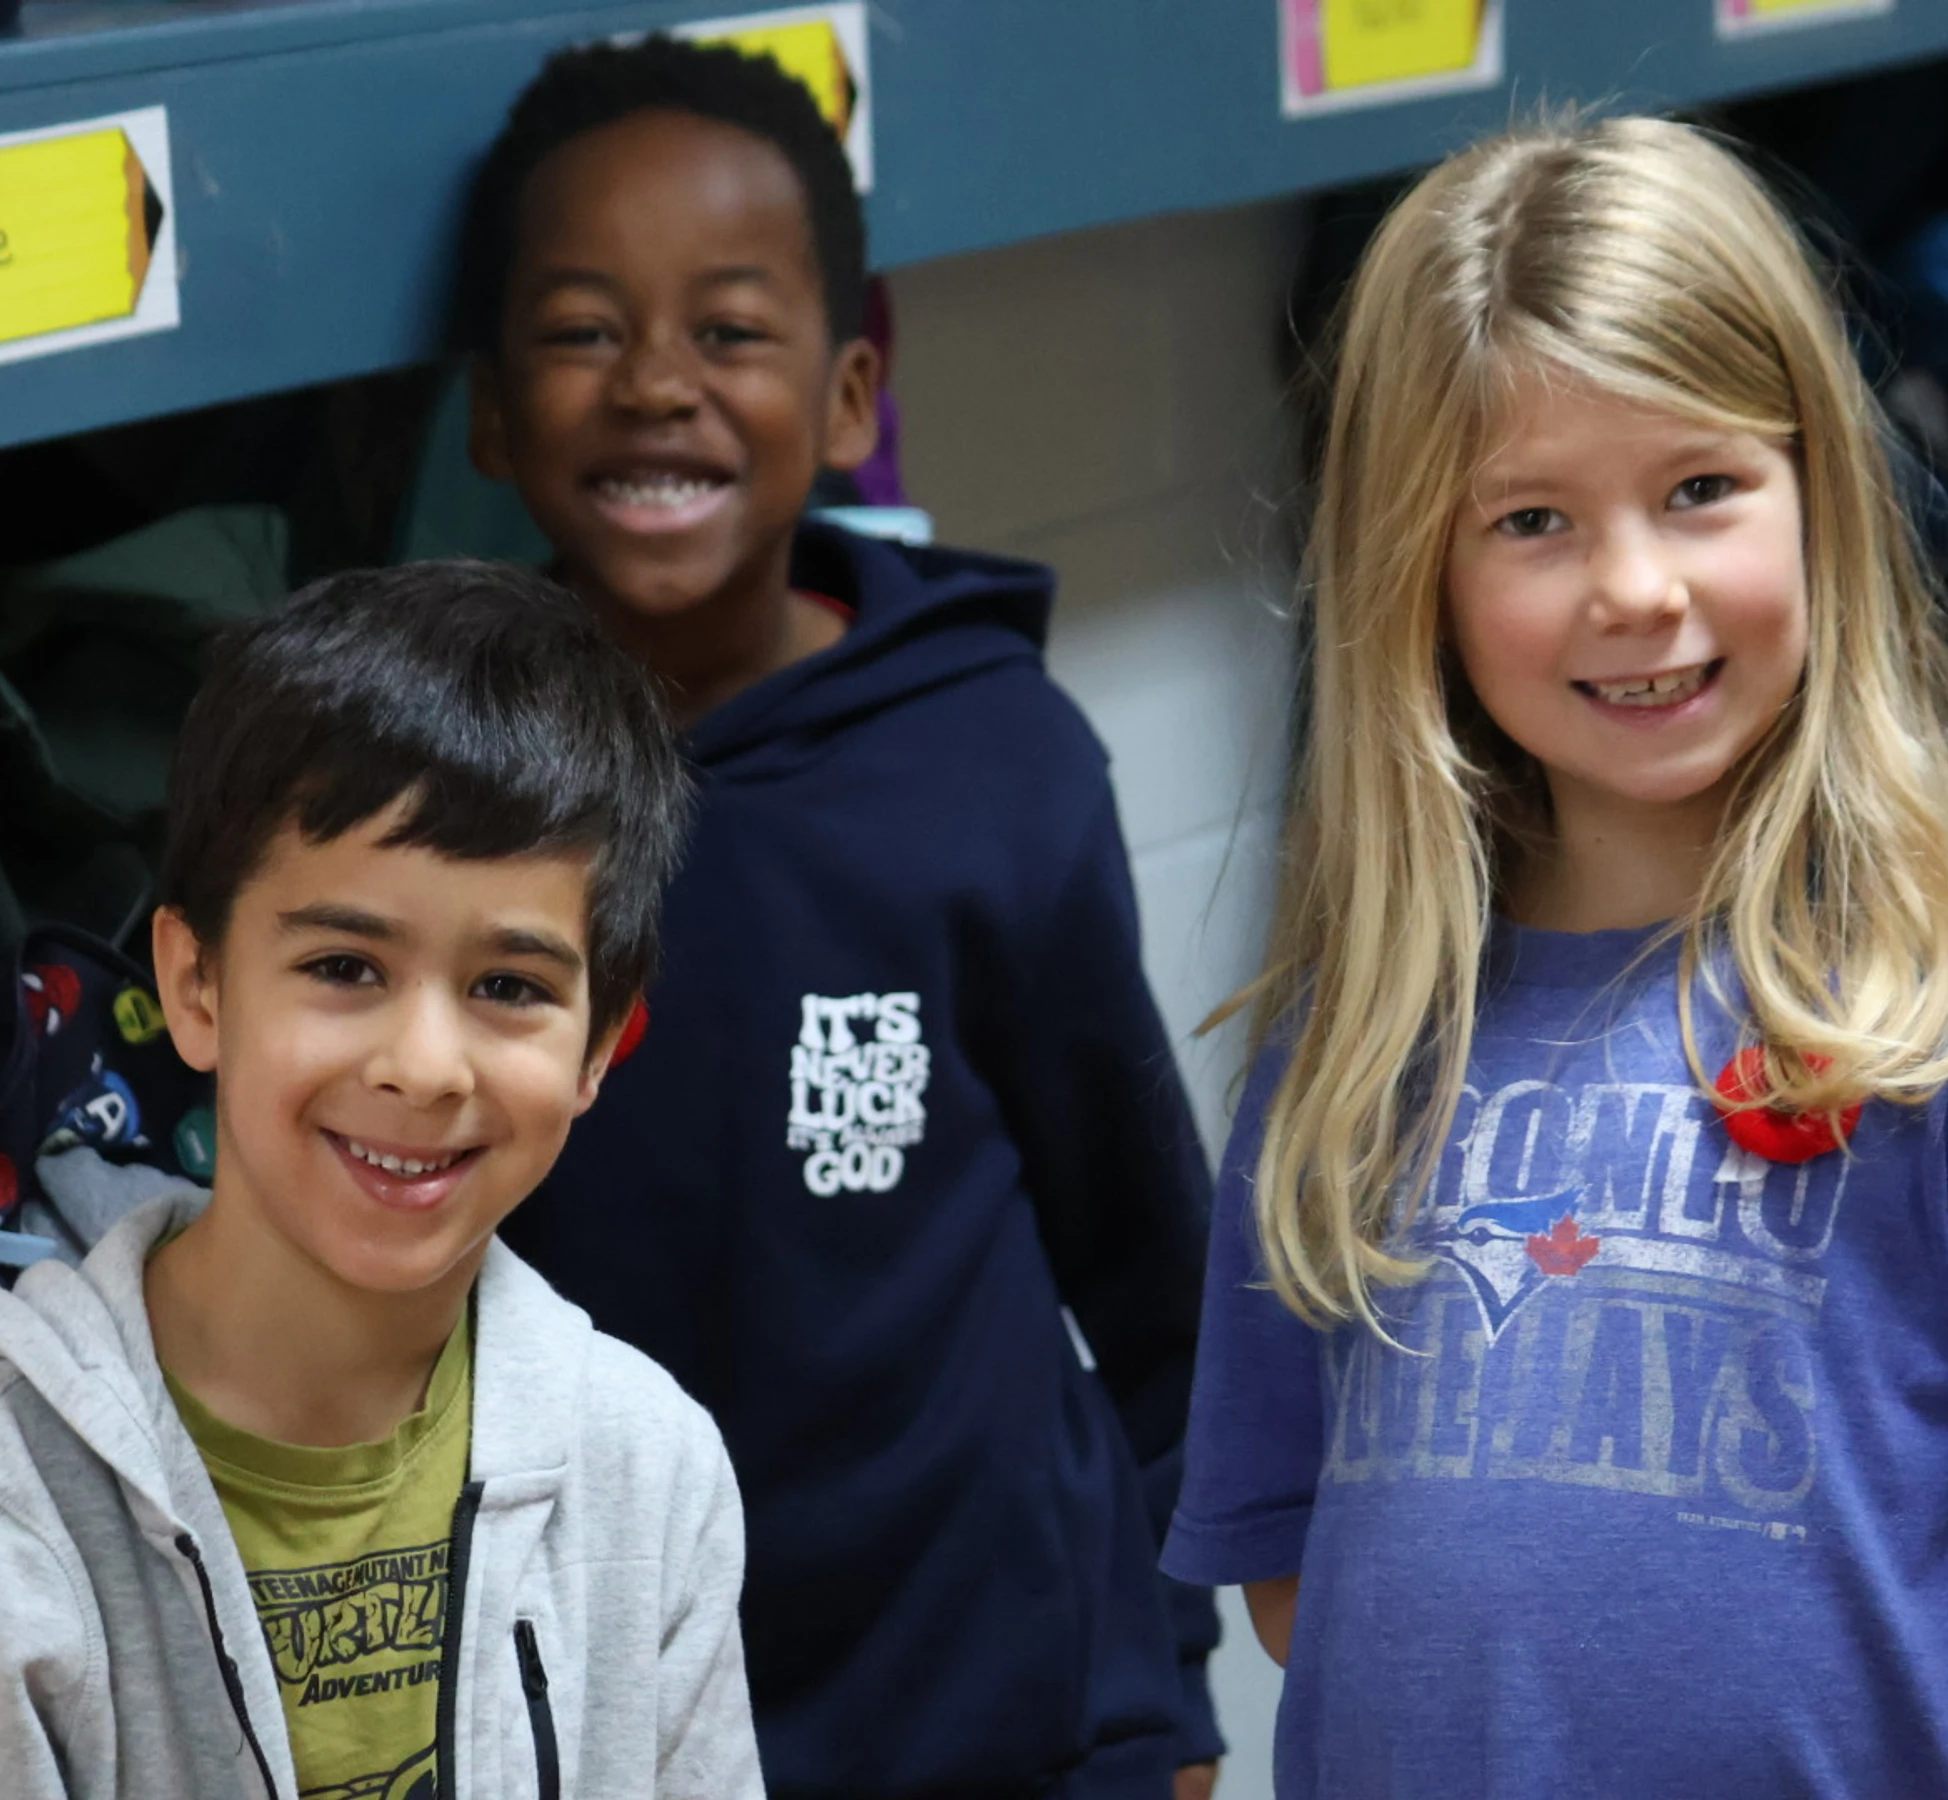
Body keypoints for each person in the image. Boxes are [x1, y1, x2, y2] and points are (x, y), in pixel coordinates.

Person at [1164, 117, 1948, 1798]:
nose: (1636, 589)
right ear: (1418, 581)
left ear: (1823, 490)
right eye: (1530, 518)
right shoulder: (1347, 1055)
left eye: (1699, 490)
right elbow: (1317, 1600)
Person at [458, 35, 1224, 1800]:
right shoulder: (442, 795)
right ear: (492, 414)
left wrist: (1158, 1695)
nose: (659, 385)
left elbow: (1158, 1278)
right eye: (584, 331)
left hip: (1017, 1722)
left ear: (855, 391)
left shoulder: (991, 762)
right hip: (620, 1730)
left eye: (730, 331)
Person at [0, 563, 761, 1800]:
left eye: (511, 989)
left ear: (598, 1042)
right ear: (196, 986)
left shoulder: (649, 1469)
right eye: (345, 966)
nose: (424, 1068)